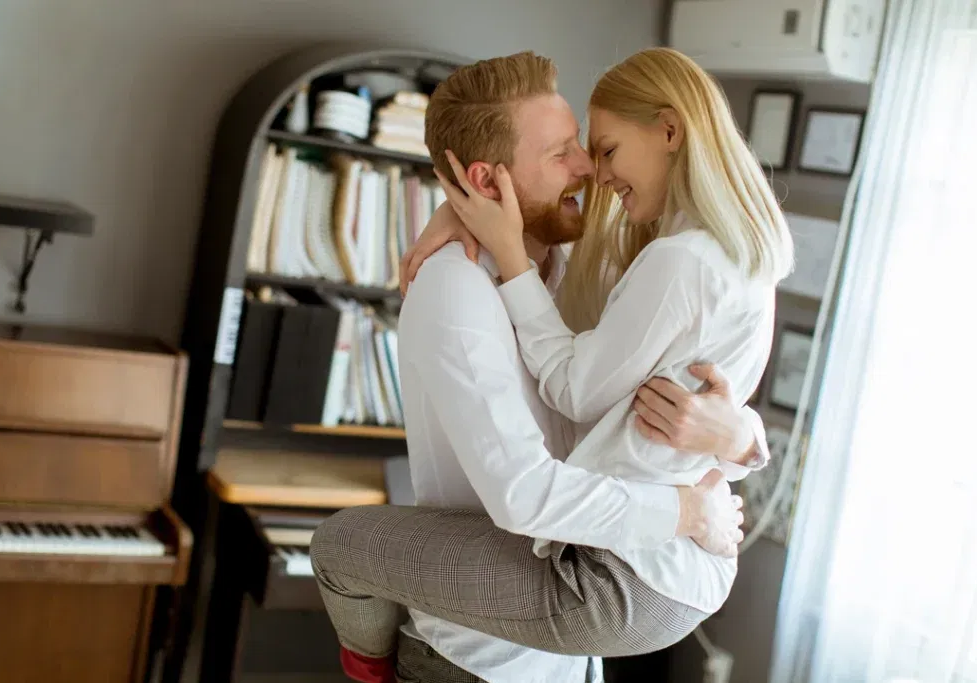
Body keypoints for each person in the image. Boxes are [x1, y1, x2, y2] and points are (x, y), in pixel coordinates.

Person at [310, 49, 784, 683]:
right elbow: (526, 491)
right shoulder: (457, 291)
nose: (588, 166)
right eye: (563, 153)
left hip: (575, 649)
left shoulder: (596, 269)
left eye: (591, 148)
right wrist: (688, 513)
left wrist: (742, 437)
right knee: (340, 545)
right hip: (482, 662)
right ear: (487, 182)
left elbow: (695, 361)